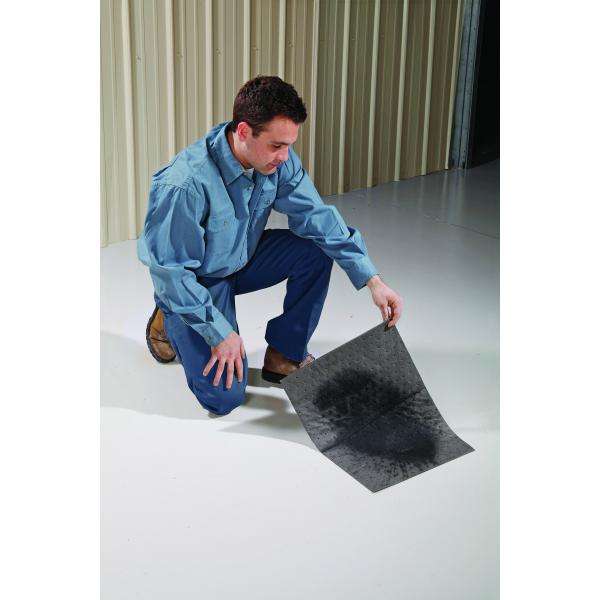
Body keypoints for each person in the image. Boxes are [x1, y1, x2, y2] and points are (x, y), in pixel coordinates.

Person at [137, 75, 403, 416]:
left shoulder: (277, 160)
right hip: (196, 280)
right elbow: (171, 272)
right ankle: (170, 312)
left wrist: (373, 280)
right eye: (277, 145)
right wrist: (219, 333)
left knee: (316, 249)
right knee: (223, 397)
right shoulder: (184, 185)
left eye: (289, 145)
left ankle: (284, 354)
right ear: (244, 131)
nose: (285, 156)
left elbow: (317, 217)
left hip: (242, 257)